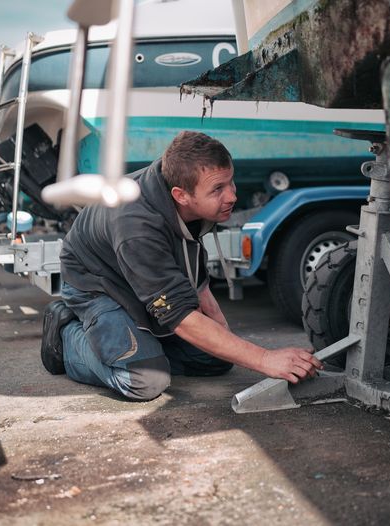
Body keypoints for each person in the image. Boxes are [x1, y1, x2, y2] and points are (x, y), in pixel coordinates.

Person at [40, 131, 322, 400]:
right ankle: (68, 337)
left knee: (216, 359)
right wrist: (264, 358)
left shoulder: (186, 196)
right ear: (181, 195)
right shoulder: (137, 226)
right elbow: (180, 318)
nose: (233, 196)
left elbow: (195, 278)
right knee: (144, 380)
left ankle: (138, 347)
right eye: (218, 189)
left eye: (231, 183)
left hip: (139, 277)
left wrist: (222, 333)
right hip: (98, 285)